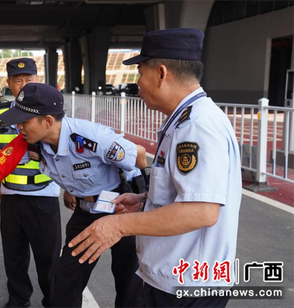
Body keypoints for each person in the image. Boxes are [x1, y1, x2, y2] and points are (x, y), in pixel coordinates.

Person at [0, 83, 147, 308]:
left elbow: (139, 157)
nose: (19, 126)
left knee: (129, 282)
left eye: (24, 121)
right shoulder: (29, 142)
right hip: (86, 212)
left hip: (123, 208)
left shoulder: (90, 137)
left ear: (48, 121)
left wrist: (143, 199)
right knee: (64, 283)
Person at [68, 28, 242, 308]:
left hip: (185, 287)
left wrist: (119, 225)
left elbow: (201, 210)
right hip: (173, 279)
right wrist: (143, 202)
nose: (137, 82)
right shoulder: (186, 120)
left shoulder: (196, 126)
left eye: (139, 72)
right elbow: (184, 194)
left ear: (161, 74)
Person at [0, 58, 62, 308]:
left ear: (37, 80)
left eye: (29, 80)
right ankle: (18, 300)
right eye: (18, 81)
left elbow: (66, 153)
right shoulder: (0, 114)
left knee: (48, 258)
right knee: (14, 256)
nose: (24, 85)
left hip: (44, 197)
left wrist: (70, 189)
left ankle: (53, 301)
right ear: (9, 84)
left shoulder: (50, 114)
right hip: (11, 196)